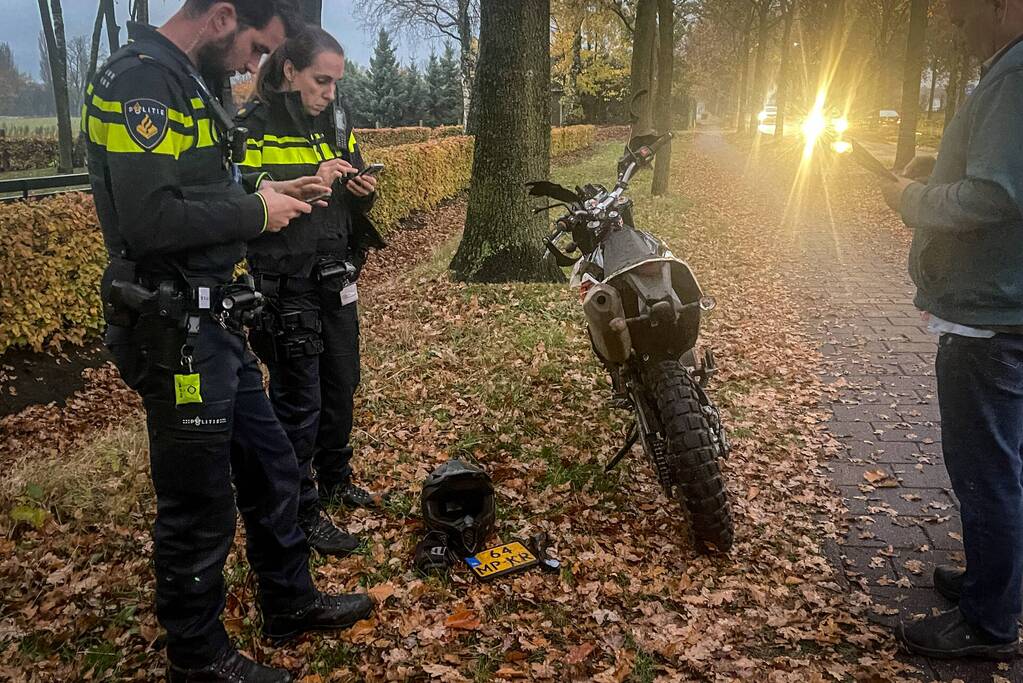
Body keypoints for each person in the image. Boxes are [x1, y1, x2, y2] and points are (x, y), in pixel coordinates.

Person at [83, 3, 373, 680]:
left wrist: (266, 187)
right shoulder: (141, 84)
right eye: (256, 49)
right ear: (220, 16)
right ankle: (198, 655)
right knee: (199, 500)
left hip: (216, 323)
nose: (255, 66)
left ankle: (289, 601)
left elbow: (195, 189)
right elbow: (150, 217)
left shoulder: (186, 81)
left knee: (273, 464)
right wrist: (256, 211)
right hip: (174, 329)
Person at [879, 0, 1023, 660]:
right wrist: (938, 164)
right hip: (1000, 307)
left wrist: (910, 199)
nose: (954, 27)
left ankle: (988, 622)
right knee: (1000, 462)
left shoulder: (1014, 72)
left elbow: (993, 194)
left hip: (990, 316)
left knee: (985, 470)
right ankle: (990, 583)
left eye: (964, 14)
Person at [235, 26, 387, 539]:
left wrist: (363, 189)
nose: (330, 93)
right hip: (284, 283)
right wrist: (314, 176)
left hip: (336, 275)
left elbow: (356, 184)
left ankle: (335, 479)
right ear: (289, 72)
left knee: (342, 382)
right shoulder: (252, 126)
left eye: (336, 83)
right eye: (321, 81)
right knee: (299, 400)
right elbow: (245, 199)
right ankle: (301, 509)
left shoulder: (339, 121)